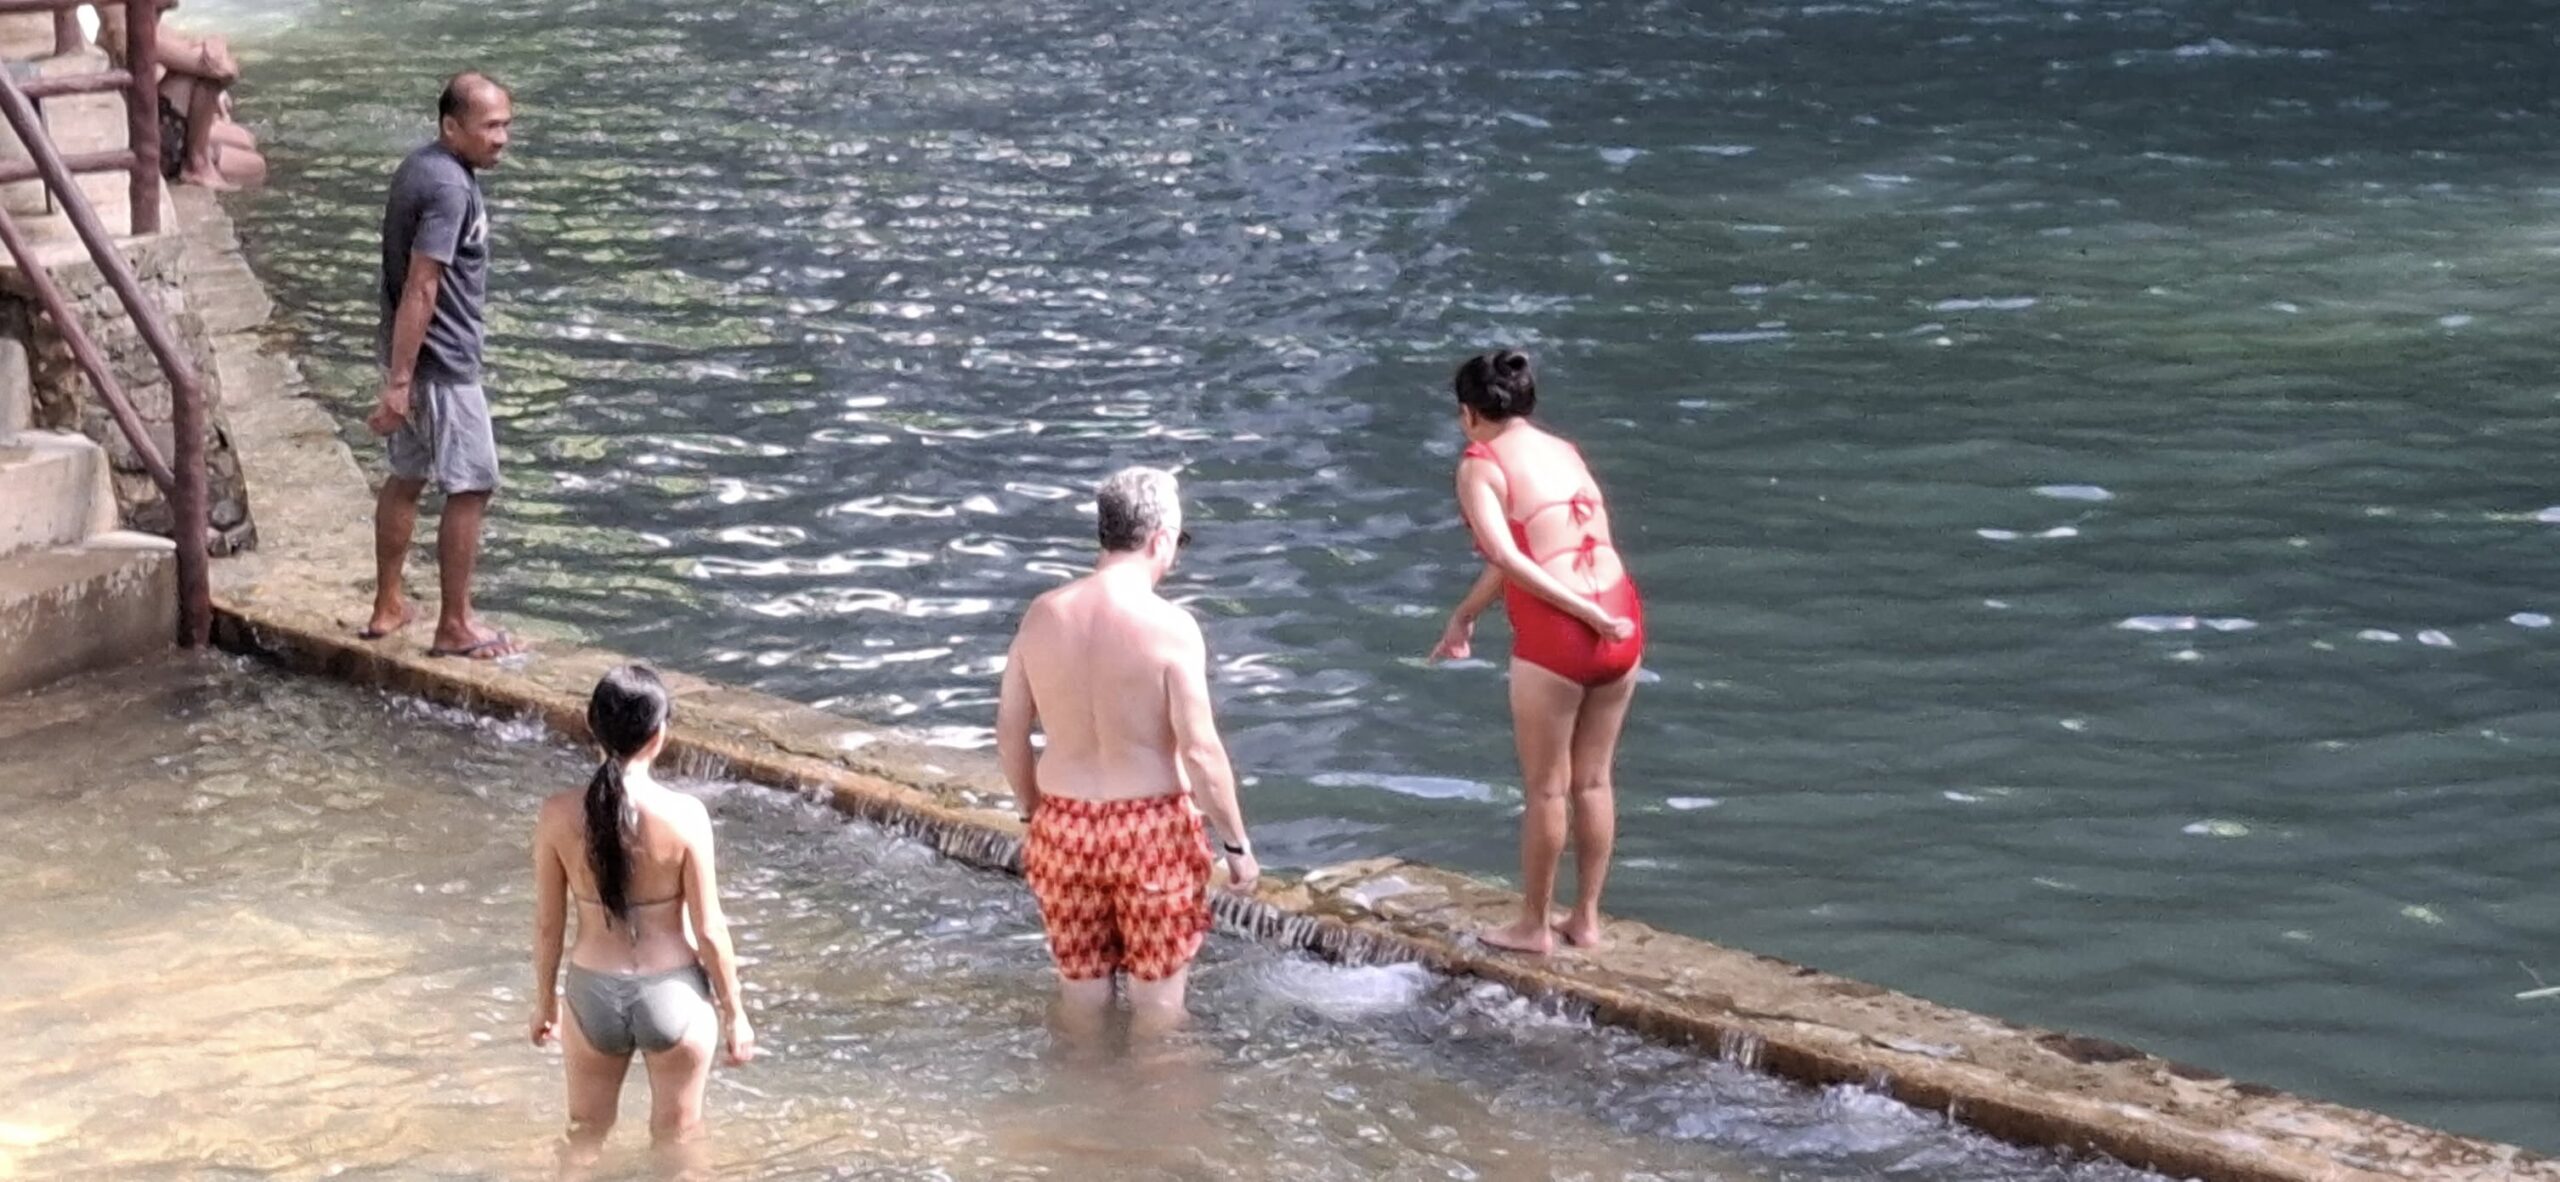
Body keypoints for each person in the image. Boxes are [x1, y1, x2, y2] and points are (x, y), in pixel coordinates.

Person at [995, 466, 1259, 1041]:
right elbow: (1201, 750)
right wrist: (1237, 846)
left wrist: (1033, 814)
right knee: (1158, 1007)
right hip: (1151, 829)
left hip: (1063, 822)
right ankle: (1153, 1100)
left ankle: (1077, 1090)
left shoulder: (1042, 614)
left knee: (1081, 996)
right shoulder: (1170, 627)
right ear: (1160, 539)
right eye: (1179, 542)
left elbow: (1011, 730)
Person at [1428, 350, 1643, 955]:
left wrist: (1583, 616)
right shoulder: (1564, 451)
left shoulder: (1481, 464)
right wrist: (1466, 614)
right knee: (1594, 780)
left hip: (1563, 632)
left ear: (1468, 414)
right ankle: (1587, 920)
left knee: (1547, 789)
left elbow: (1506, 555)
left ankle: (1532, 926)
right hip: (1624, 617)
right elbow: (1528, 551)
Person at [530, 665, 754, 1177]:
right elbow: (710, 929)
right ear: (659, 735)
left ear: (592, 726)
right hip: (673, 990)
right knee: (678, 1142)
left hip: (592, 992)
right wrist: (735, 1012)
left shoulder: (557, 814)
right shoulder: (686, 816)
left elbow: (547, 924)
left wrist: (544, 1003)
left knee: (584, 1134)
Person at [360, 72, 526, 659]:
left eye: (506, 124)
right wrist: (401, 382)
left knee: (407, 476)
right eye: (490, 126)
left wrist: (397, 371)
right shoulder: (450, 187)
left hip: (412, 356)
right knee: (472, 486)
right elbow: (422, 285)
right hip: (443, 364)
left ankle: (388, 604)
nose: (502, 138)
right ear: (451, 127)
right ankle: (455, 624)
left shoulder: (420, 167)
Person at [93, 0, 266, 190]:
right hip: (142, 137)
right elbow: (222, 71)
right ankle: (198, 164)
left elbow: (193, 47)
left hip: (145, 121)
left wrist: (216, 42)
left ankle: (200, 157)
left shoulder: (138, 20)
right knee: (254, 166)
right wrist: (212, 55)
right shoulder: (125, 27)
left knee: (245, 139)